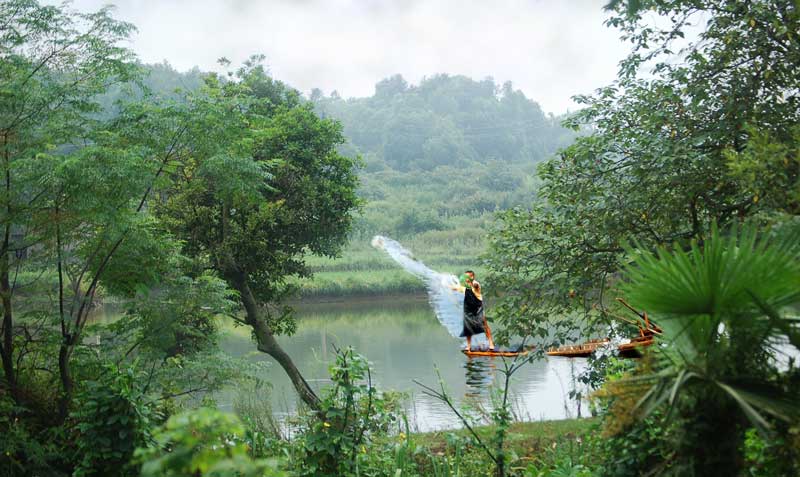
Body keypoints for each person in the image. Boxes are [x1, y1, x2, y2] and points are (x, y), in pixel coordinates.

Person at [450, 270, 495, 352]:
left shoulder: (476, 284)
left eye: (467, 277)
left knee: (484, 325)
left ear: (472, 277)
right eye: (464, 276)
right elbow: (454, 288)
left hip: (478, 308)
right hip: (468, 309)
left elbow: (475, 285)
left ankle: (491, 343)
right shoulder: (463, 286)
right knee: (468, 327)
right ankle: (469, 346)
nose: (465, 278)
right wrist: (444, 284)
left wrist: (470, 283)